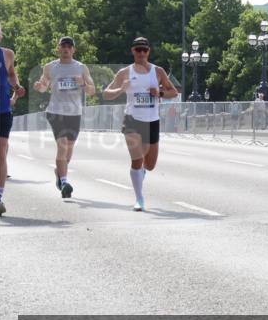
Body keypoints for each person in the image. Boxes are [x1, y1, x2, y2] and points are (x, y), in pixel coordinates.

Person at [102, 37, 179, 211]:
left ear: (149, 51)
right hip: (132, 120)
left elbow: (173, 92)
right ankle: (139, 199)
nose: (142, 53)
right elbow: (106, 94)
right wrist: (121, 89)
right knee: (137, 159)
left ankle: (140, 174)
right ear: (133, 51)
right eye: (138, 50)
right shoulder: (125, 73)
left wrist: (159, 92)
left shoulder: (158, 72)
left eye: (145, 49)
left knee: (150, 165)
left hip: (152, 120)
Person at [32, 36, 96, 198]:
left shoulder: (81, 68)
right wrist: (39, 86)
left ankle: (59, 172)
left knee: (69, 149)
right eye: (63, 46)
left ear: (74, 50)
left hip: (74, 113)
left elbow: (92, 90)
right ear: (58, 48)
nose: (66, 49)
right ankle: (65, 183)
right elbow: (43, 85)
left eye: (69, 46)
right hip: (55, 111)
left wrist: (82, 83)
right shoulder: (50, 67)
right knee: (62, 145)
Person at [0, 26, 27, 217]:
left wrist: (16, 86)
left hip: (2, 109)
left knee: (0, 152)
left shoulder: (7, 54)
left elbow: (10, 74)